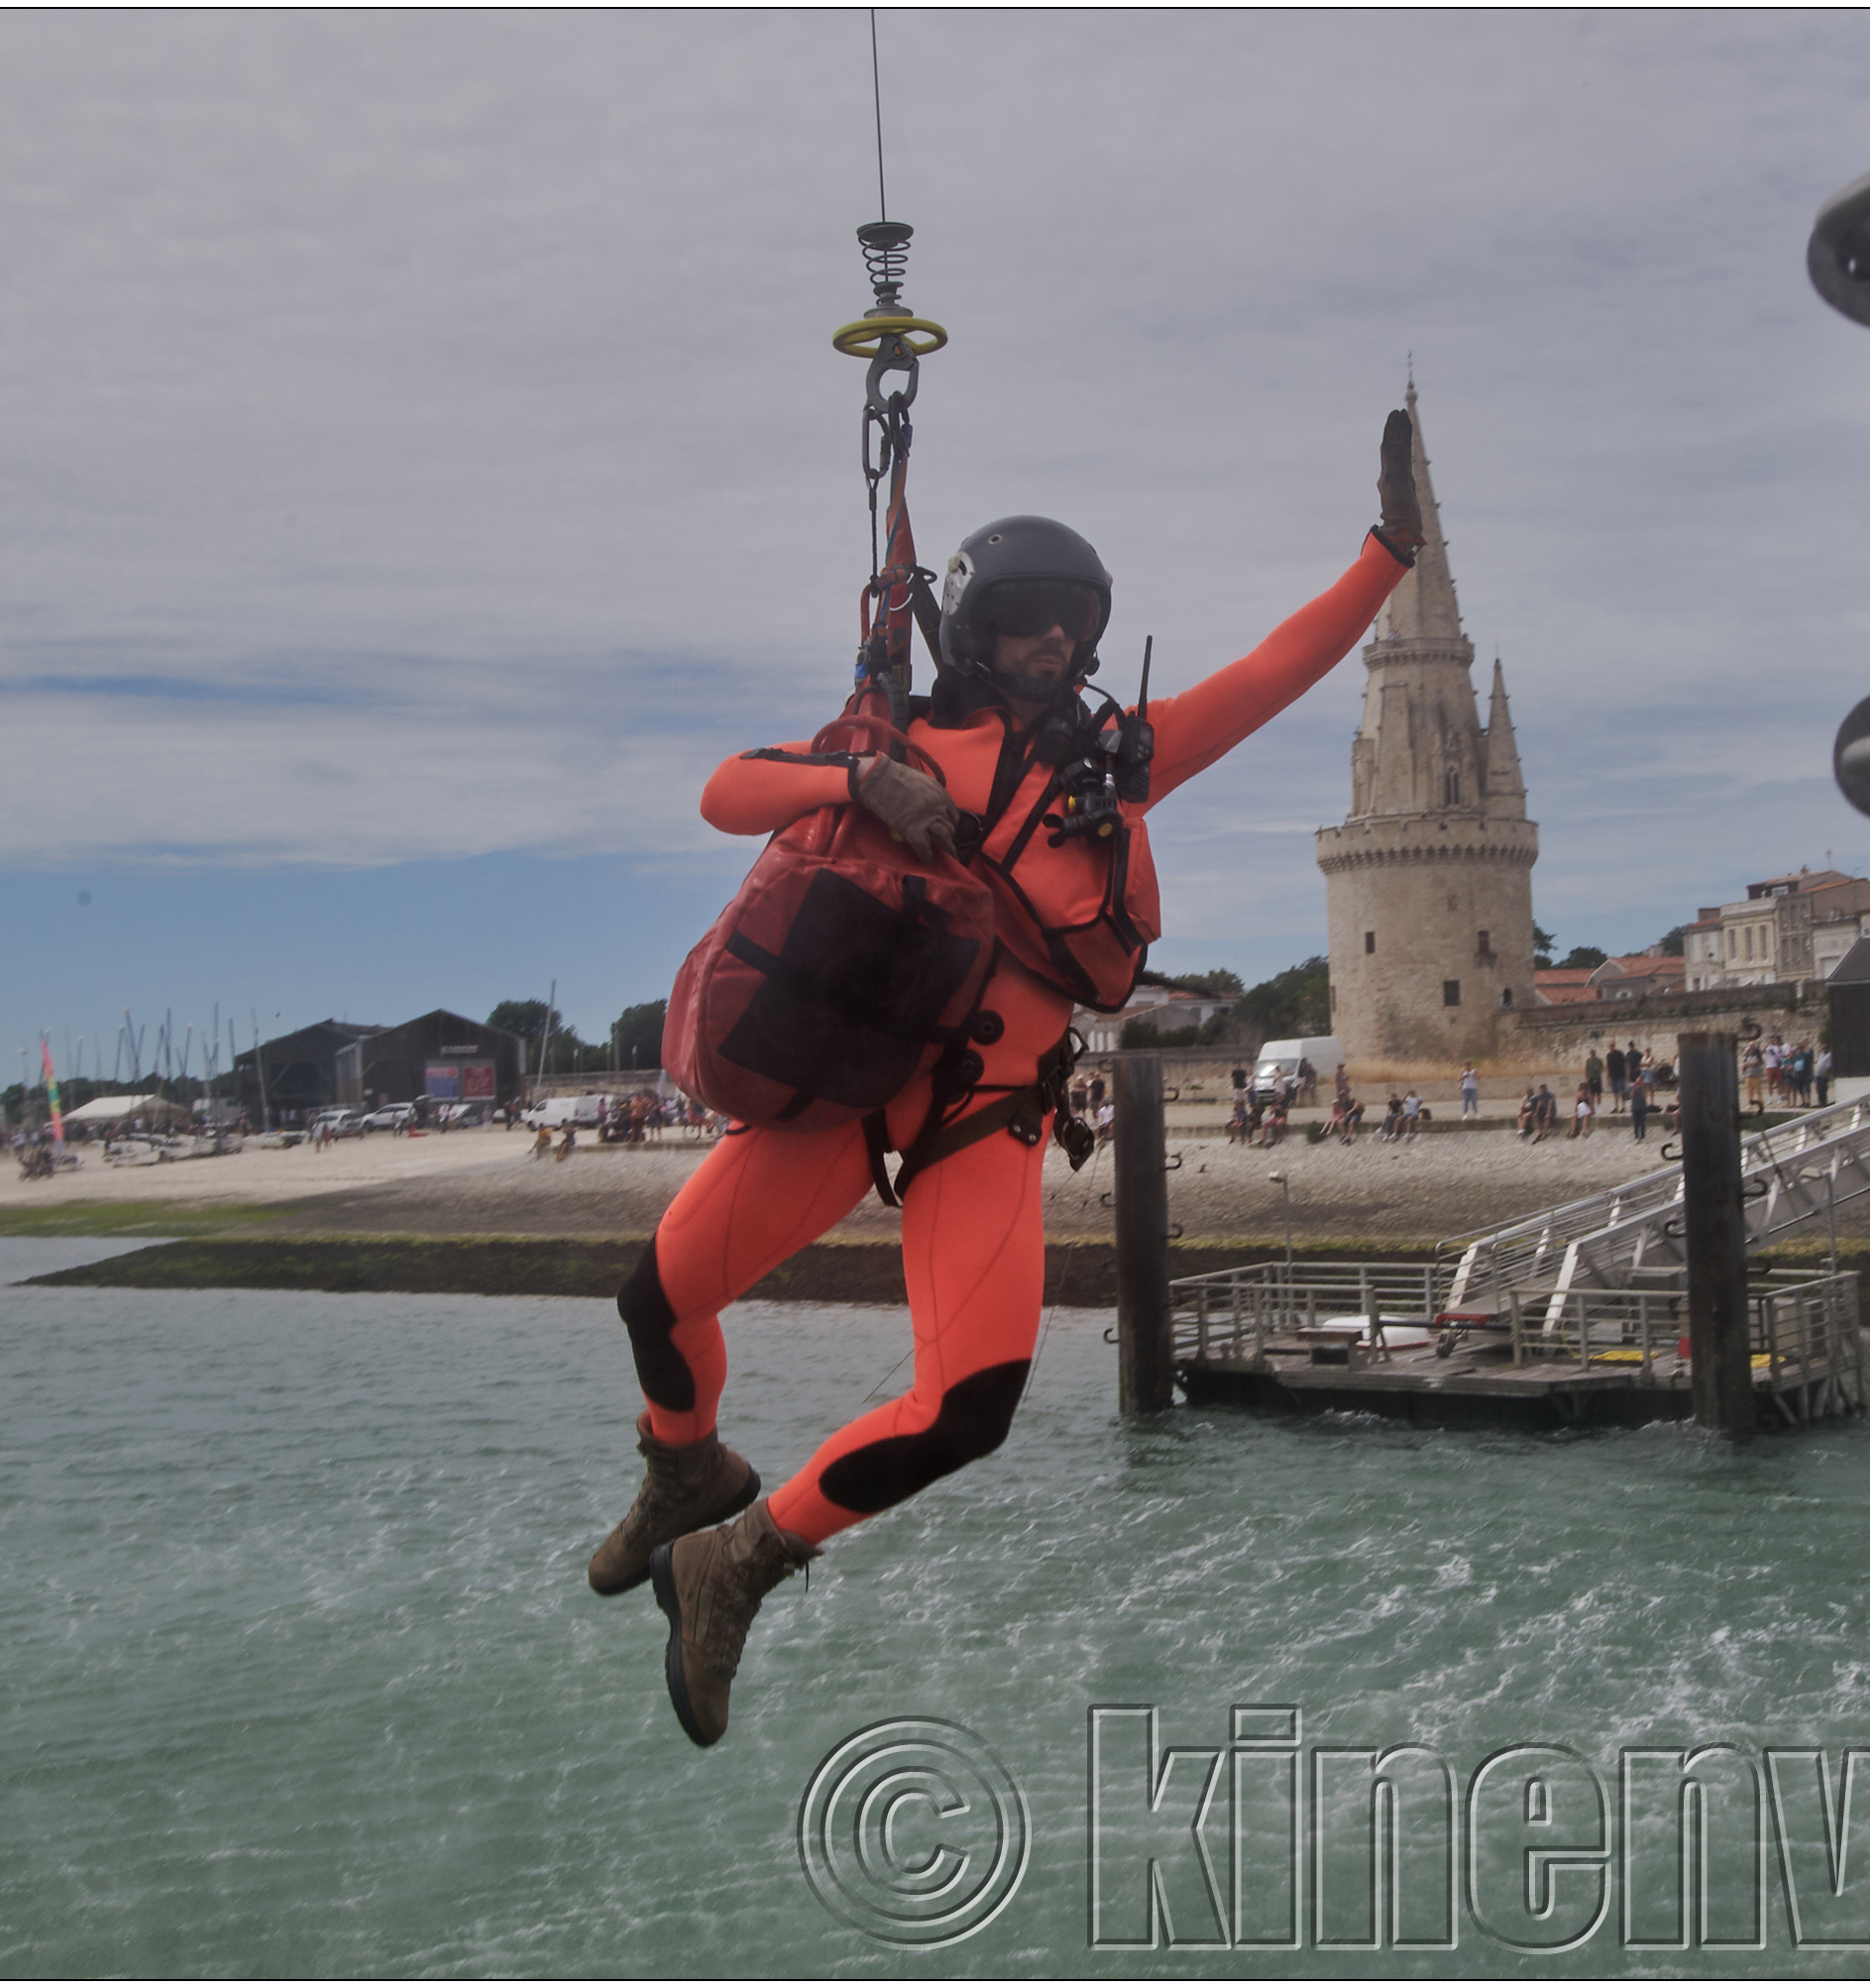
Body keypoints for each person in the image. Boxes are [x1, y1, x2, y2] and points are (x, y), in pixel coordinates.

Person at [594, 413, 1430, 1748]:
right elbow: (723, 791)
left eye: (1073, 626)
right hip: (861, 1086)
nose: (1056, 644)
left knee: (970, 1403)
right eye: (1031, 619)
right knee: (661, 1295)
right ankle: (686, 1468)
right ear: (975, 632)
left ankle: (738, 1558)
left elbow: (1272, 672)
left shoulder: (1123, 765)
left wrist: (1387, 556)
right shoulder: (899, 747)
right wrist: (864, 777)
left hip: (985, 1116)